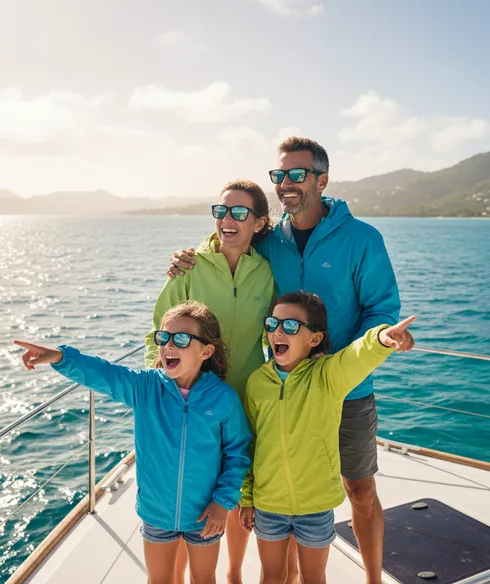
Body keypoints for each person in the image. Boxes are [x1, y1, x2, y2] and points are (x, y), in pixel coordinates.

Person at [168, 137, 414, 584]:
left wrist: (345, 361)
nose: (286, 184)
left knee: (359, 489)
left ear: (322, 179)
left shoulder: (362, 239)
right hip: (280, 393)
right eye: (278, 175)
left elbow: (382, 308)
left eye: (297, 174)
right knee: (284, 491)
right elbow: (231, 238)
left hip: (346, 388)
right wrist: (188, 256)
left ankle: (374, 579)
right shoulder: (269, 240)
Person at [15, 301, 251, 584]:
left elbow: (237, 454)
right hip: (156, 512)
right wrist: (59, 357)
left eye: (182, 339)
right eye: (163, 338)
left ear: (206, 350)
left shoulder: (223, 399)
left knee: (203, 578)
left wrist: (222, 502)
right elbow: (104, 373)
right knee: (158, 579)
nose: (169, 346)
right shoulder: (145, 387)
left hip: (205, 513)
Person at [145, 180, 297, 584]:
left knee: (235, 489)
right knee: (188, 494)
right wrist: (166, 385)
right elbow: (156, 332)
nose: (226, 219)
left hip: (244, 396)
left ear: (260, 222)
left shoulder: (267, 273)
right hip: (190, 399)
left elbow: (277, 333)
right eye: (221, 210)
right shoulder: (190, 266)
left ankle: (232, 573)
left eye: (239, 213)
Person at [239, 291, 416, 584]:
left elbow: (358, 356)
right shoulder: (258, 382)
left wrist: (382, 338)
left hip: (315, 506)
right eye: (272, 324)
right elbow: (250, 444)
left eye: (291, 326)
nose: (278, 331)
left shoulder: (328, 376)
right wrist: (247, 498)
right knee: (271, 576)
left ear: (314, 339)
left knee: (314, 577)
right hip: (268, 504)